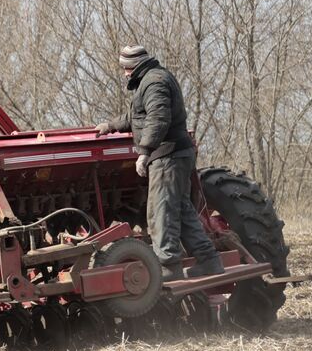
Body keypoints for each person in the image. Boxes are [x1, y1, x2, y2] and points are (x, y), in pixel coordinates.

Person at [96, 45, 224, 282]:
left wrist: (144, 152)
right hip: (177, 155)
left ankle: (168, 267)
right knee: (183, 211)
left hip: (167, 157)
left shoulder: (153, 83)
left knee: (160, 211)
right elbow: (139, 116)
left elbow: (158, 118)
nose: (124, 73)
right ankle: (209, 262)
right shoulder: (154, 78)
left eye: (125, 68)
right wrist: (111, 125)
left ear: (135, 66)